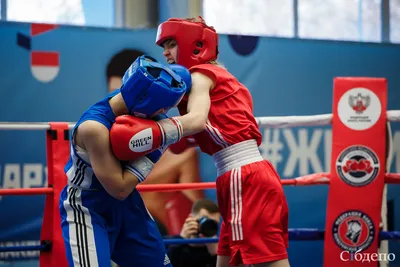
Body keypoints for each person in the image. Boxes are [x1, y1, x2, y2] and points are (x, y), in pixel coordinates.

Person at [109, 17, 290, 267]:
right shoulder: (221, 77)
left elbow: (195, 120)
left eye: (171, 44)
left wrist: (158, 131)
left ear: (194, 45)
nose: (165, 52)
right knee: (226, 259)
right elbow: (212, 128)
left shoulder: (201, 75)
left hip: (243, 176)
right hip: (243, 176)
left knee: (268, 260)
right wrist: (181, 138)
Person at [59, 55, 191, 266]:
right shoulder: (94, 128)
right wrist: (156, 149)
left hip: (129, 207)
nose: (162, 114)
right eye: (161, 108)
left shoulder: (132, 98)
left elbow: (192, 128)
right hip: (88, 208)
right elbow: (118, 188)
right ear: (145, 103)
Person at [167, 199, 221, 267]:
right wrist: (181, 240)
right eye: (204, 220)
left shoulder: (219, 247)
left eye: (213, 223)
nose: (208, 225)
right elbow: (164, 264)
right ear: (191, 218)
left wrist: (215, 255)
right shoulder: (170, 242)